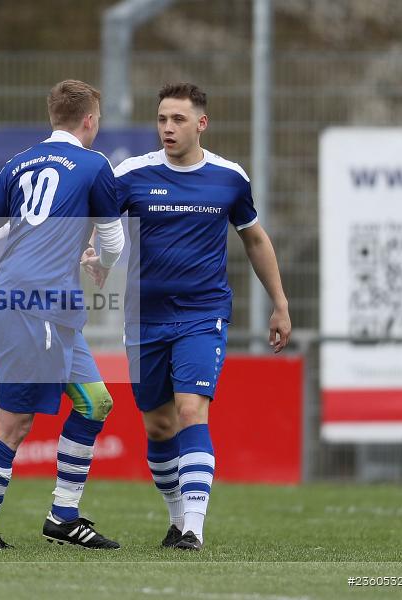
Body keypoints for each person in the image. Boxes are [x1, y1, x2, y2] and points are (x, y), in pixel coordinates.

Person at [106, 82, 291, 551]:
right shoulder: (131, 173)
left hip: (202, 313)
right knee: (159, 425)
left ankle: (194, 528)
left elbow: (255, 239)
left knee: (191, 411)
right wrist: (94, 255)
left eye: (179, 120)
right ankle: (175, 519)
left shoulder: (229, 177)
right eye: (162, 119)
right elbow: (99, 226)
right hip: (143, 319)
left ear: (201, 123)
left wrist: (280, 303)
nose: (168, 128)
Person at [0, 80, 124, 550]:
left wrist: (29, 224)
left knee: (96, 402)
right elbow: (113, 243)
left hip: (44, 305)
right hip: (36, 305)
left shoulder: (18, 163)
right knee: (14, 424)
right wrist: (100, 265)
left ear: (53, 116)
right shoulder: (95, 165)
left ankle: (63, 519)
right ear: (90, 120)